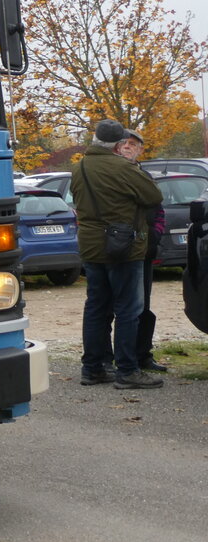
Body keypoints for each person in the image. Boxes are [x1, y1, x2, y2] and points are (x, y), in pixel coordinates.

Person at [69, 120, 164, 389]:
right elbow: (153, 196)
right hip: (122, 245)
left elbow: (76, 199)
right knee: (127, 309)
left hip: (90, 246)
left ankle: (93, 368)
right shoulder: (123, 167)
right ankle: (127, 370)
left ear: (96, 138)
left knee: (96, 307)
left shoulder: (79, 168)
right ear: (119, 144)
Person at [117, 128, 168, 372]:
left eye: (133, 144)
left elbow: (158, 211)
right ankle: (116, 359)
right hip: (115, 248)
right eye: (124, 143)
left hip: (144, 251)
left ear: (140, 150)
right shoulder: (110, 174)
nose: (128, 146)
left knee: (143, 306)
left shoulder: (145, 177)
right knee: (115, 308)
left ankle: (142, 355)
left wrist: (155, 235)